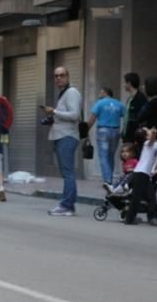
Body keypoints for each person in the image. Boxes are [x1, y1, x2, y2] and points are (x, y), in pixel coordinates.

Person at [44, 66, 82, 217]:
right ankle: (69, 205)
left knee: (68, 172)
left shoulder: (72, 92)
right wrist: (52, 118)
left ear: (68, 76)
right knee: (67, 172)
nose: (58, 78)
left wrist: (54, 112)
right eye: (56, 76)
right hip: (62, 135)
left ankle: (66, 205)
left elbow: (74, 115)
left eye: (62, 75)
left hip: (67, 136)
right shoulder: (64, 93)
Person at [87, 86, 126, 190]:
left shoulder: (100, 103)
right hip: (116, 131)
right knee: (110, 156)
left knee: (103, 156)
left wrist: (85, 130)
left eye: (100, 92)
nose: (99, 94)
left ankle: (107, 180)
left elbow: (92, 118)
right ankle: (110, 179)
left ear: (105, 92)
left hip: (103, 131)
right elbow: (126, 116)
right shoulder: (119, 104)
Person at [125, 127, 157, 225]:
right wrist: (154, 132)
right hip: (140, 174)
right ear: (146, 137)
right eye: (147, 131)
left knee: (151, 197)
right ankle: (129, 219)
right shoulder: (147, 144)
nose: (149, 130)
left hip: (145, 175)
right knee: (136, 198)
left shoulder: (153, 145)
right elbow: (152, 139)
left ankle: (152, 217)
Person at [122, 72, 147, 144]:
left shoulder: (140, 98)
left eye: (125, 83)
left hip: (135, 136)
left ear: (129, 83)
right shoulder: (129, 99)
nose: (124, 85)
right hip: (127, 135)